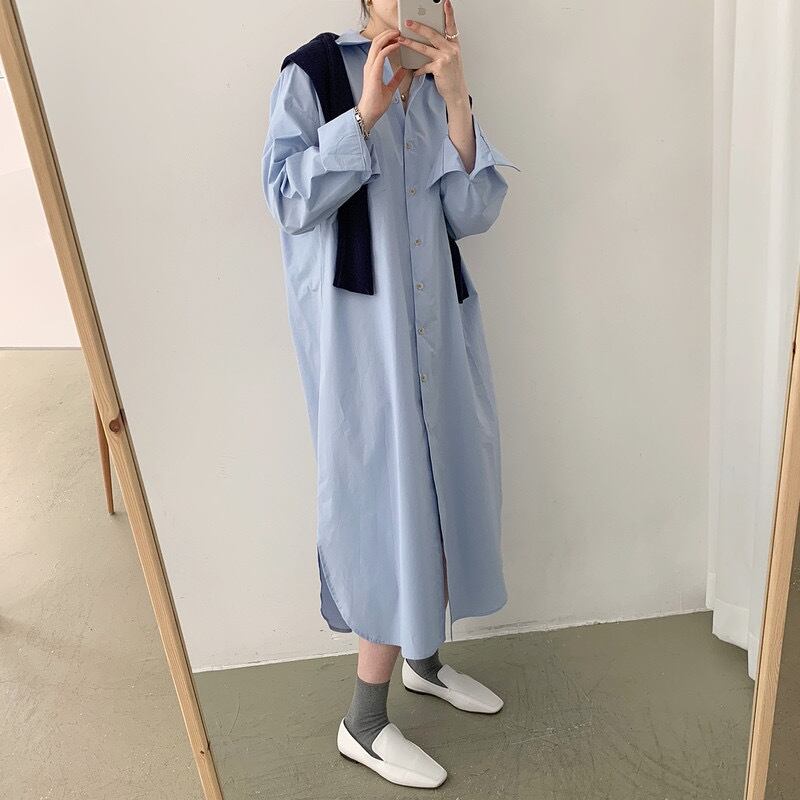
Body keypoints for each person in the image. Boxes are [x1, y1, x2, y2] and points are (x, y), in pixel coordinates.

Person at [261, 0, 519, 788]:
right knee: (384, 505)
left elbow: (471, 212)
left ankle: (425, 662)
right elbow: (287, 199)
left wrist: (458, 100)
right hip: (364, 345)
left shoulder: (437, 81)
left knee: (447, 486)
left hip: (440, 329)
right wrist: (365, 116)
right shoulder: (313, 72)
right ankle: (363, 722)